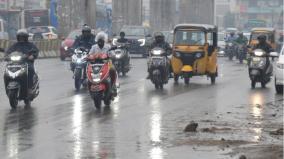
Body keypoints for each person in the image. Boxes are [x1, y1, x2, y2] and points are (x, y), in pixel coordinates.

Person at [5, 29, 39, 94]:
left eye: (23, 37)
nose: (21, 38)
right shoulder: (15, 45)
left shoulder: (30, 45)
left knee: (30, 70)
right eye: (20, 37)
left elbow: (35, 51)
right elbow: (9, 51)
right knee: (6, 71)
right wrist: (6, 56)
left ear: (26, 37)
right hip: (15, 63)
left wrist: (32, 56)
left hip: (26, 62)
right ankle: (7, 86)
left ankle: (29, 88)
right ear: (18, 37)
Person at [89, 32, 117, 96]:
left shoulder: (108, 46)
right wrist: (89, 57)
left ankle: (113, 86)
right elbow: (90, 54)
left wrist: (111, 56)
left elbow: (113, 54)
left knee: (112, 69)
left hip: (107, 63)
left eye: (102, 39)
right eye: (99, 39)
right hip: (95, 65)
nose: (100, 41)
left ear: (104, 40)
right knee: (88, 70)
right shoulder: (94, 47)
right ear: (97, 40)